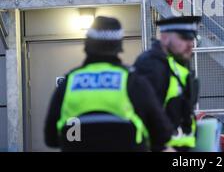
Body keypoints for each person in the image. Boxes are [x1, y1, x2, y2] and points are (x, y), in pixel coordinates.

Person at [44, 16, 173, 152]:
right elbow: (162, 134)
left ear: (87, 44)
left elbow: (51, 139)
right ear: (119, 46)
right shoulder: (133, 81)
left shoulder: (69, 82)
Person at [134, 16, 201, 152]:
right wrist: (160, 147)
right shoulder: (152, 65)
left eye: (192, 39)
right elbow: (143, 114)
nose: (190, 44)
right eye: (184, 38)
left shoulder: (176, 64)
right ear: (164, 38)